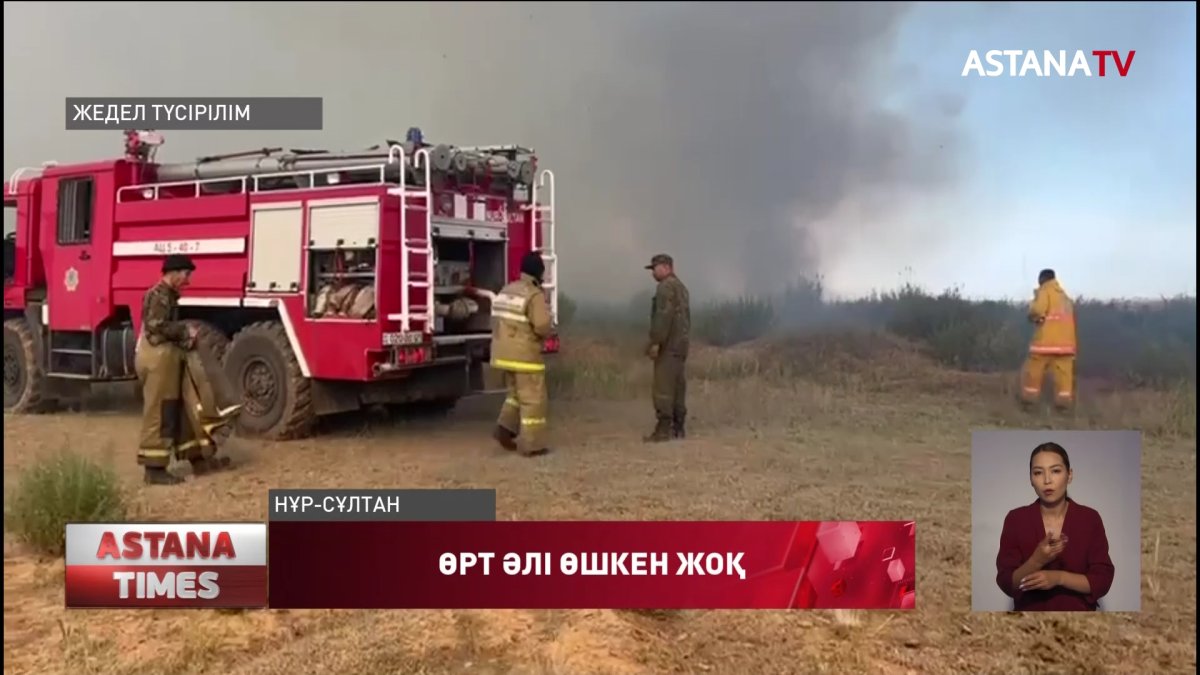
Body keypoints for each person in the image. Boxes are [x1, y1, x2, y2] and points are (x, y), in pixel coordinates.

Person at [135, 254, 240, 485]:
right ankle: (154, 469)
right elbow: (156, 327)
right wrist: (185, 333)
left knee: (184, 408)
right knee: (161, 412)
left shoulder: (169, 296)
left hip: (168, 358)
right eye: (186, 274)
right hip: (158, 360)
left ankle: (197, 459)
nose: (188, 280)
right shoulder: (158, 295)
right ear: (174, 272)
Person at [994, 442, 1115, 611]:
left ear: (1069, 475)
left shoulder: (1089, 518)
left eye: (1056, 471)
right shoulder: (1016, 519)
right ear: (1031, 479)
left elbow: (1102, 579)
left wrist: (1059, 578)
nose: (1047, 480)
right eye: (1038, 473)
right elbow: (1007, 583)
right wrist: (1036, 560)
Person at [490, 250, 554, 457]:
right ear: (539, 273)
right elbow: (542, 326)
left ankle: (504, 429)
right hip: (524, 357)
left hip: (502, 353)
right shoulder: (533, 294)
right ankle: (533, 445)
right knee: (533, 399)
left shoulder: (508, 289)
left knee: (515, 395)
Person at [643, 253, 690, 442]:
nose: (652, 272)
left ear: (666, 267)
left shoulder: (665, 288)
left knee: (663, 387)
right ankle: (679, 427)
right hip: (681, 345)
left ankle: (663, 429)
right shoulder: (682, 288)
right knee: (678, 386)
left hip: (668, 346)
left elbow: (663, 317)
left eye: (654, 268)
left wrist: (656, 342)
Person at [1020, 269, 1077, 410]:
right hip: (1065, 345)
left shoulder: (1044, 292)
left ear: (1042, 279)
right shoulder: (1065, 297)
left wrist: (1032, 313)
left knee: (1034, 371)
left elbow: (1038, 310)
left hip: (1045, 343)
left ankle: (1029, 403)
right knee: (1064, 376)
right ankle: (1063, 406)